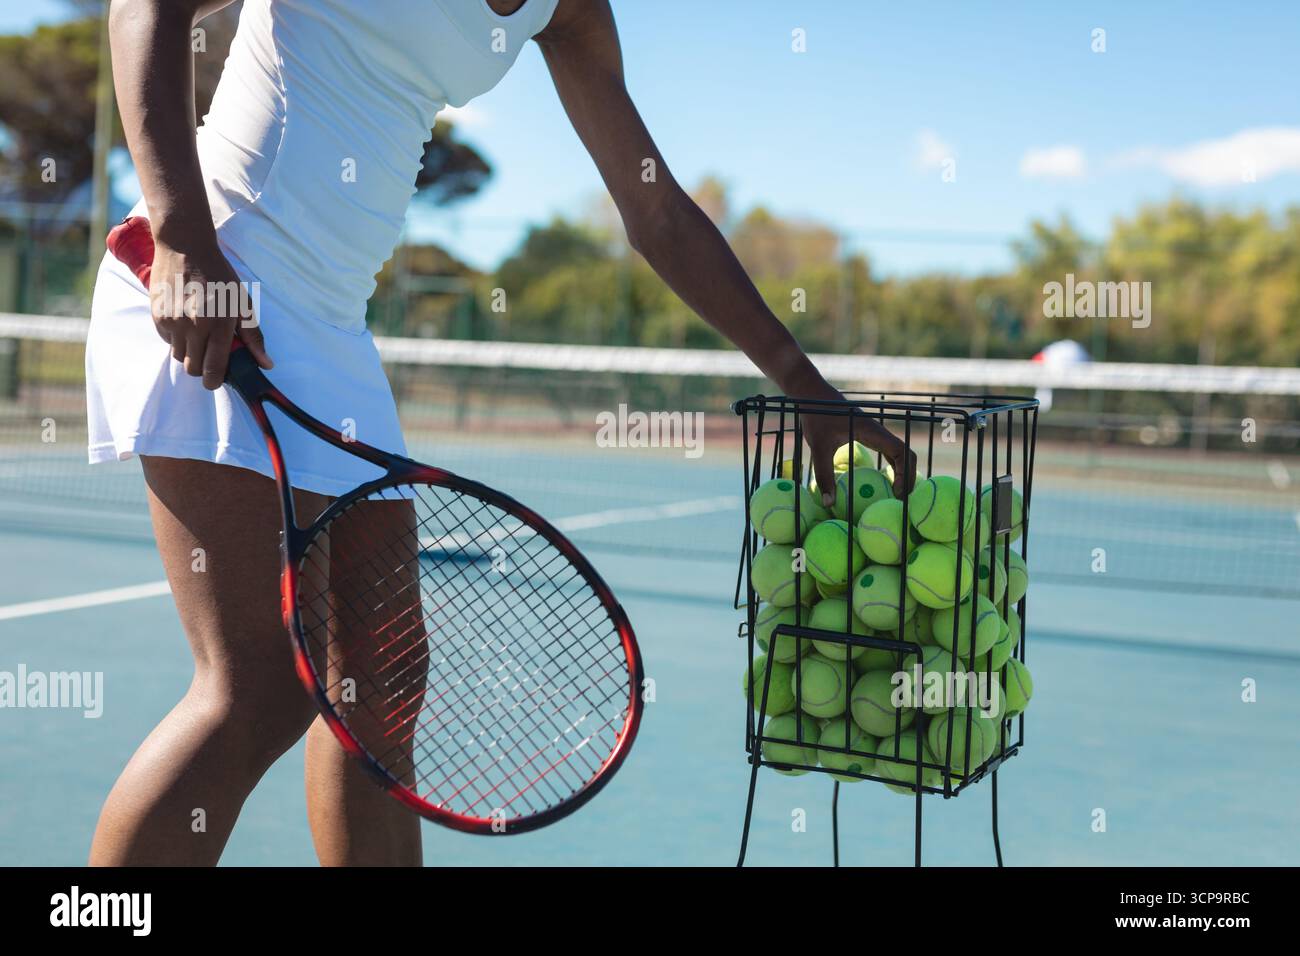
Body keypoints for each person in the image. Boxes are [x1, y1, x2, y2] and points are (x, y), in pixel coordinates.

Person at [87, 0, 913, 866]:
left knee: (381, 685)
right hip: (218, 278)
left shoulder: (570, 12)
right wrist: (182, 234)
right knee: (256, 689)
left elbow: (653, 207)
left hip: (330, 329)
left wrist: (805, 386)